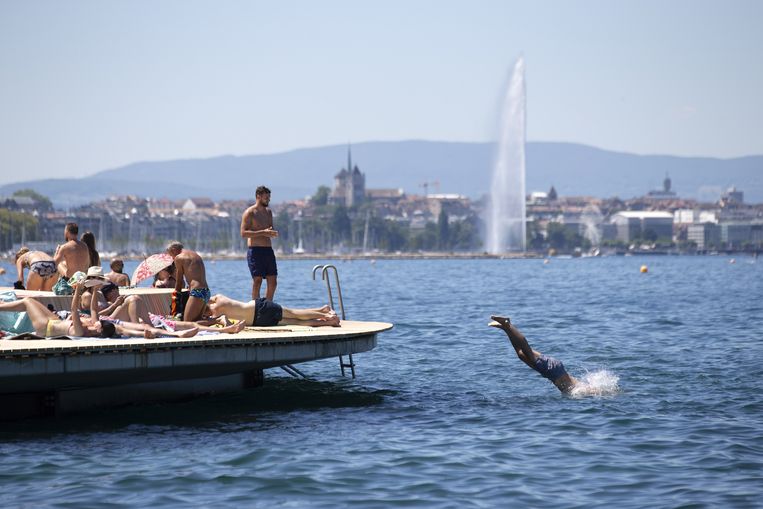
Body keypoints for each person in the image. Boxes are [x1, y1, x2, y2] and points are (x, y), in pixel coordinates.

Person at [489, 315, 578, 393]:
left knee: (521, 354)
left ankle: (506, 328)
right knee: (526, 350)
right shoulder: (580, 390)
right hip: (553, 371)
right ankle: (507, 325)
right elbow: (590, 389)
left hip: (552, 371)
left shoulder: (578, 387)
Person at [208, 293, 340, 327]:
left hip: (259, 312)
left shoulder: (216, 309)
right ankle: (325, 314)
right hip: (257, 317)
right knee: (296, 318)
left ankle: (327, 317)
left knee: (296, 317)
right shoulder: (216, 304)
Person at [241, 185, 278, 300]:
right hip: (255, 250)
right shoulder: (250, 213)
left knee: (273, 281)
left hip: (268, 250)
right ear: (258, 196)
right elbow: (243, 233)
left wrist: (271, 233)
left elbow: (269, 230)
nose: (268, 200)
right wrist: (262, 232)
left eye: (269, 198)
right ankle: (255, 306)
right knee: (257, 280)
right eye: (266, 198)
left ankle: (268, 306)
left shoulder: (269, 212)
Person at [167, 241, 210, 322]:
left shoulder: (179, 257)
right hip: (206, 291)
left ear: (173, 250)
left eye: (171, 255)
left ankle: (219, 320)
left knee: (187, 322)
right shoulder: (195, 254)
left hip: (197, 292)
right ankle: (218, 320)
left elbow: (179, 282)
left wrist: (175, 298)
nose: (172, 258)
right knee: (197, 320)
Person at [52, 222, 90, 295]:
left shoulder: (65, 247)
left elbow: (54, 265)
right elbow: (86, 265)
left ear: (67, 232)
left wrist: (57, 252)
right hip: (82, 280)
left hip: (71, 281)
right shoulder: (84, 246)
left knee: (60, 264)